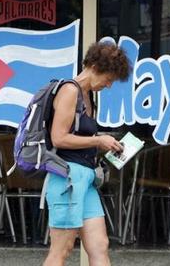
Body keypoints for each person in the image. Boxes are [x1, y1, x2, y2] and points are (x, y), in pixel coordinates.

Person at [43, 42, 131, 266]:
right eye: (108, 78)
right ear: (93, 66)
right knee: (61, 251)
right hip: (67, 178)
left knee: (99, 245)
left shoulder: (89, 96)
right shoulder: (70, 90)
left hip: (87, 178)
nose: (109, 85)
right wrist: (98, 140)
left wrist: (103, 143)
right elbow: (59, 138)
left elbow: (78, 135)